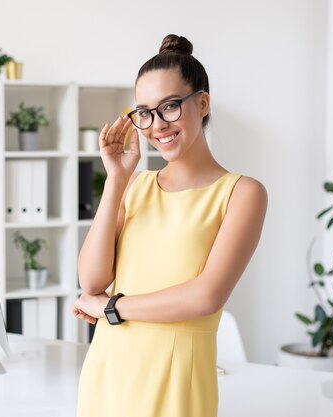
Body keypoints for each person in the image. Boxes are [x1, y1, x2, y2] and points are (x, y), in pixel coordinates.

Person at [72, 34, 268, 417]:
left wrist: (110, 307)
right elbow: (91, 281)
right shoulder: (136, 185)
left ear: (203, 103)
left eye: (170, 107)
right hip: (109, 372)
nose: (156, 125)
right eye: (144, 112)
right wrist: (116, 179)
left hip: (177, 380)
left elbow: (205, 297)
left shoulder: (242, 193)